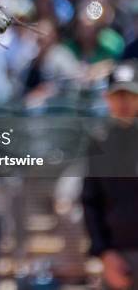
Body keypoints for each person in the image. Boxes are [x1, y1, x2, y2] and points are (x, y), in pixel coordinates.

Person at [81, 60, 138, 290]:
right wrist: (105, 253)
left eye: (130, 95)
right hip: (117, 258)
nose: (123, 102)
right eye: (118, 95)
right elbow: (90, 202)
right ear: (107, 98)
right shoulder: (99, 141)